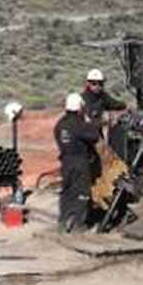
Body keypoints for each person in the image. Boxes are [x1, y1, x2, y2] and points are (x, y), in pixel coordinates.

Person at [53, 93, 101, 233]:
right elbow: (94, 137)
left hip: (66, 162)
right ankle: (78, 225)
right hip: (80, 162)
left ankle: (62, 222)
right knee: (82, 193)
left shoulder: (60, 124)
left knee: (67, 191)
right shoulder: (79, 124)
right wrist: (92, 123)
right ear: (80, 107)